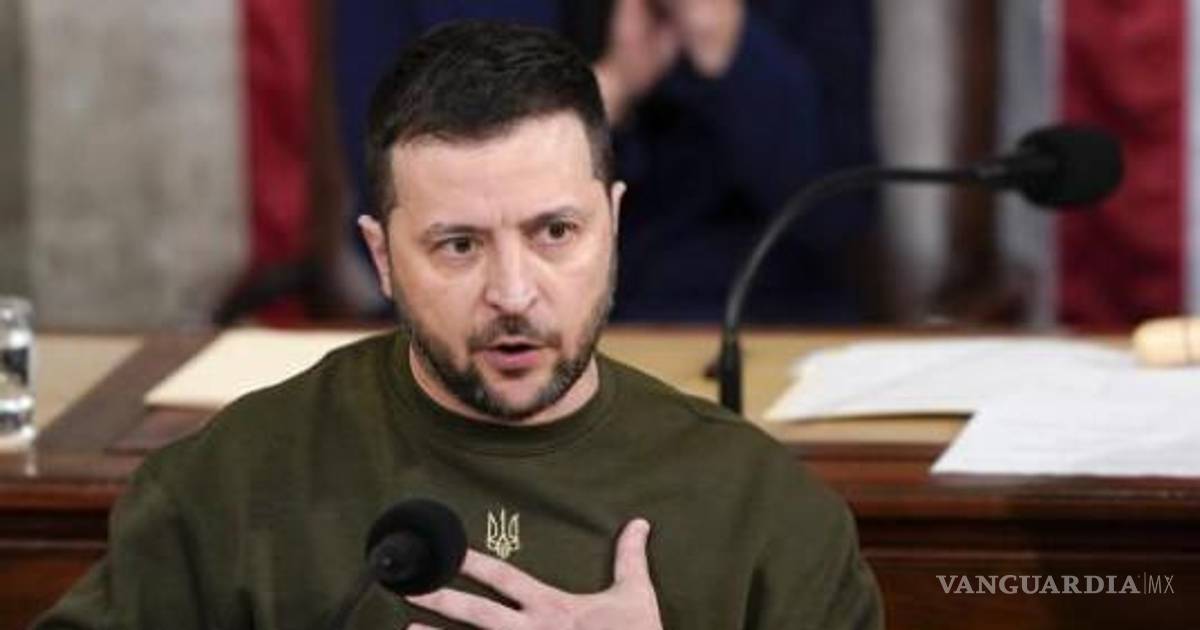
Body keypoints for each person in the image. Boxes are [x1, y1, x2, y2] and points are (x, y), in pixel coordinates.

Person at [36, 22, 881, 629]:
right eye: (459, 245)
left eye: (556, 233)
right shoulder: (225, 488)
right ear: (381, 255)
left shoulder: (768, 516)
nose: (513, 293)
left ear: (614, 224)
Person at [333, 0, 877, 323]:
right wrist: (609, 92)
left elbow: (841, 212)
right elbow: (389, 199)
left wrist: (724, 39)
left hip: (742, 319)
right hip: (489, 323)